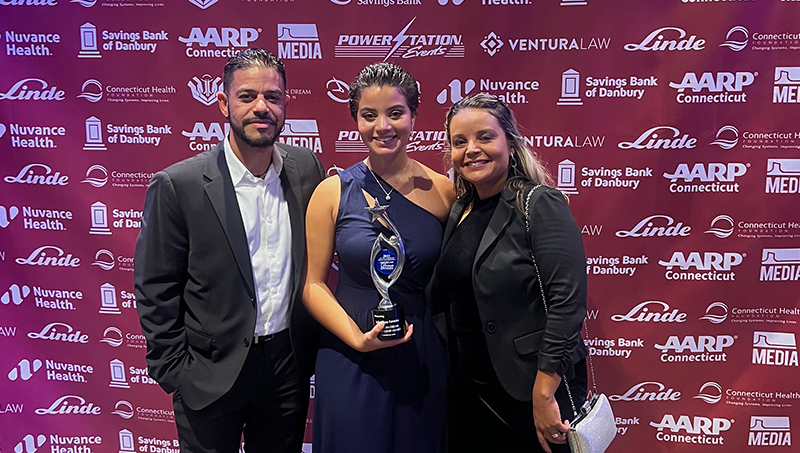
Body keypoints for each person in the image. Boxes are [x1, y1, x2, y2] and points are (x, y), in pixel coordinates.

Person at [134, 48, 324, 453]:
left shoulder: (307, 168)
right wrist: (176, 373)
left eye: (272, 97)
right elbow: (155, 286)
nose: (262, 107)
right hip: (208, 374)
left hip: (286, 369)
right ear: (223, 103)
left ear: (286, 104)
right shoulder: (177, 185)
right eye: (247, 96)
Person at [301, 62, 454, 453]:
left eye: (396, 113)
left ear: (414, 116)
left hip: (420, 356)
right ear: (356, 120)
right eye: (369, 115)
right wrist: (356, 337)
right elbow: (313, 285)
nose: (382, 126)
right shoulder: (330, 192)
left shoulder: (443, 192)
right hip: (349, 356)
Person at [427, 93, 588, 453]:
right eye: (459, 142)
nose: (471, 149)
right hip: (469, 394)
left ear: (511, 145)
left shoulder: (539, 203)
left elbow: (568, 302)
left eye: (485, 137)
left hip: (529, 391)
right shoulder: (461, 210)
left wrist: (545, 392)